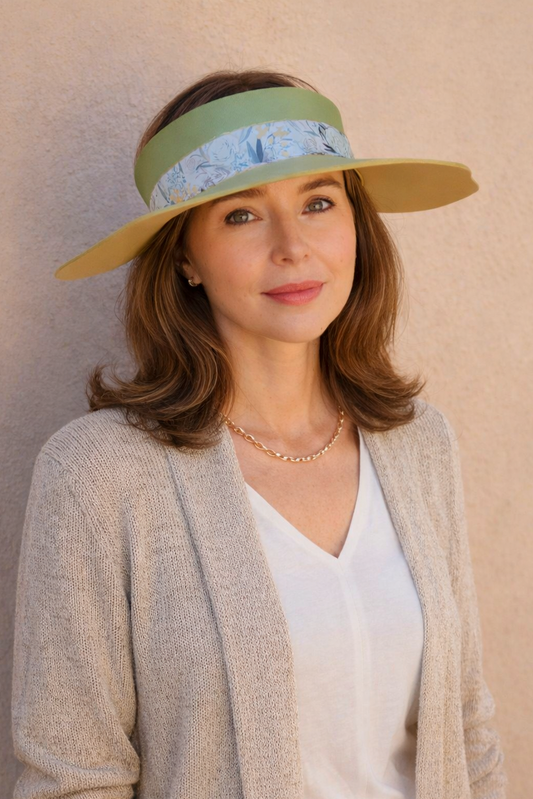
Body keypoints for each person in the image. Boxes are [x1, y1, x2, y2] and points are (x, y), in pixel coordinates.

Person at [11, 69, 508, 799]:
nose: (292, 246)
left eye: (317, 202)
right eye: (240, 215)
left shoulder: (417, 442)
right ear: (184, 257)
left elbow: (466, 731)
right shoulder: (98, 474)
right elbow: (73, 779)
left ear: (355, 226)